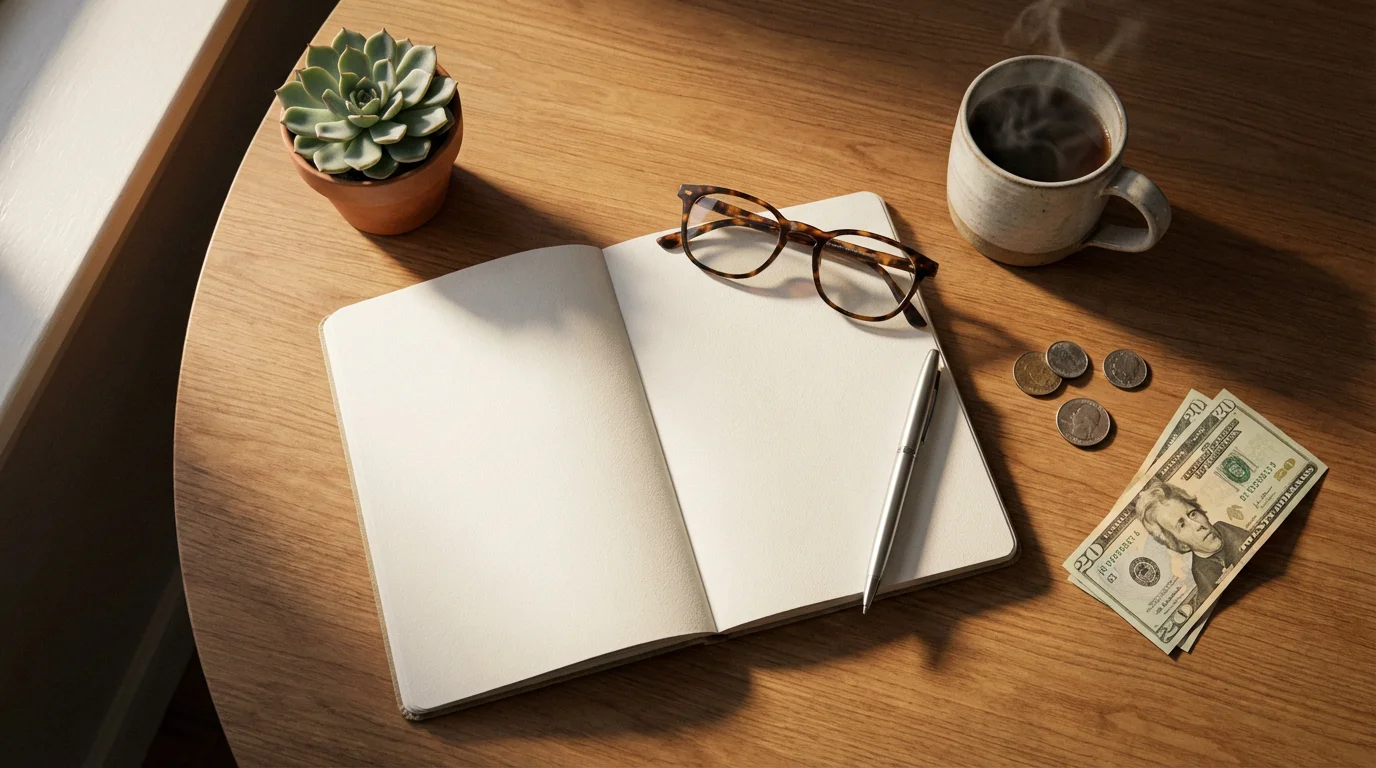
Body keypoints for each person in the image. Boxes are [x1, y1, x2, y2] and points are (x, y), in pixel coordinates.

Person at [1136, 478, 1248, 601]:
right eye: (1182, 525)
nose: (1198, 525)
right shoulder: (1202, 575)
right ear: (1180, 544)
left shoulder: (1225, 528)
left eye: (1193, 514)